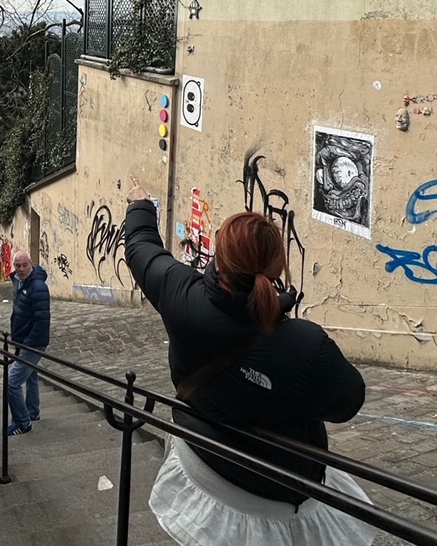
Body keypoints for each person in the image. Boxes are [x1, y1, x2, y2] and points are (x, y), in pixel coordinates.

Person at [123, 179, 373, 546]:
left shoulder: (179, 294)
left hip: (204, 464)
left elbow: (141, 248)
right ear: (276, 267)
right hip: (276, 489)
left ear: (218, 258)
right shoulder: (305, 344)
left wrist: (140, 205)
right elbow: (348, 402)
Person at [6, 250, 50, 436]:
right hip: (22, 340)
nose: (21, 269)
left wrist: (29, 344)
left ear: (31, 264)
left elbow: (42, 320)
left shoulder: (38, 286)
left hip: (32, 343)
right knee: (31, 376)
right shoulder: (18, 280)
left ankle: (23, 423)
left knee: (12, 382)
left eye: (25, 265)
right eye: (18, 266)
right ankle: (32, 412)